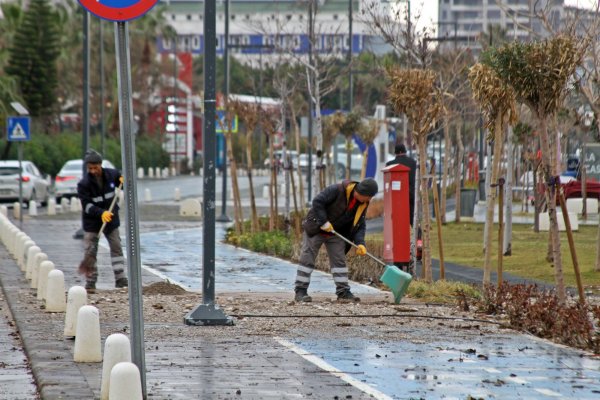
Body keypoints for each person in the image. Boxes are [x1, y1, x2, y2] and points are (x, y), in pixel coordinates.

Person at [294, 178, 378, 303]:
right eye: (369, 197)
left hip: (336, 232)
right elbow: (317, 202)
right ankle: (300, 291)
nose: (370, 200)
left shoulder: (362, 204)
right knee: (308, 258)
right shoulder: (337, 190)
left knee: (339, 261)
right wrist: (324, 221)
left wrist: (360, 243)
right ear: (362, 193)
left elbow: (360, 224)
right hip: (317, 227)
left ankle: (343, 292)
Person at [77, 150, 127, 293]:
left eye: (95, 168)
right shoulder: (84, 184)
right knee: (90, 251)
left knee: (116, 246)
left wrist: (123, 181)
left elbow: (122, 183)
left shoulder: (112, 175)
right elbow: (87, 205)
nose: (93, 171)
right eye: (90, 168)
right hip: (92, 222)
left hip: (111, 220)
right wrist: (101, 213)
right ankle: (91, 280)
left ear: (100, 165)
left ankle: (120, 279)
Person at [386, 143, 417, 226]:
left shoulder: (389, 164)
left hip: (396, 196)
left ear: (396, 152)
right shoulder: (413, 162)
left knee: (398, 218)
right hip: (410, 193)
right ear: (404, 151)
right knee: (412, 216)